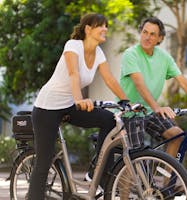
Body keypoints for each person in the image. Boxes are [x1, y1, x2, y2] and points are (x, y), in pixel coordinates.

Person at [27, 13, 128, 200]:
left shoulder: (99, 53)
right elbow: (74, 74)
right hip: (47, 107)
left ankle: (97, 172)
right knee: (44, 160)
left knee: (109, 119)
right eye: (101, 26)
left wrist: (126, 101)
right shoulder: (73, 45)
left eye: (106, 26)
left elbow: (109, 79)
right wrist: (79, 99)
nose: (105, 29)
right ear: (88, 29)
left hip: (69, 105)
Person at [120, 17, 187, 158]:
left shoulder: (164, 57)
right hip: (130, 112)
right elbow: (139, 84)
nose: (147, 37)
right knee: (136, 161)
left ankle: (168, 179)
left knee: (176, 135)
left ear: (160, 39)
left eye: (152, 34)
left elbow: (183, 81)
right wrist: (157, 107)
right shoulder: (130, 54)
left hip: (149, 110)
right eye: (145, 32)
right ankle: (125, 179)